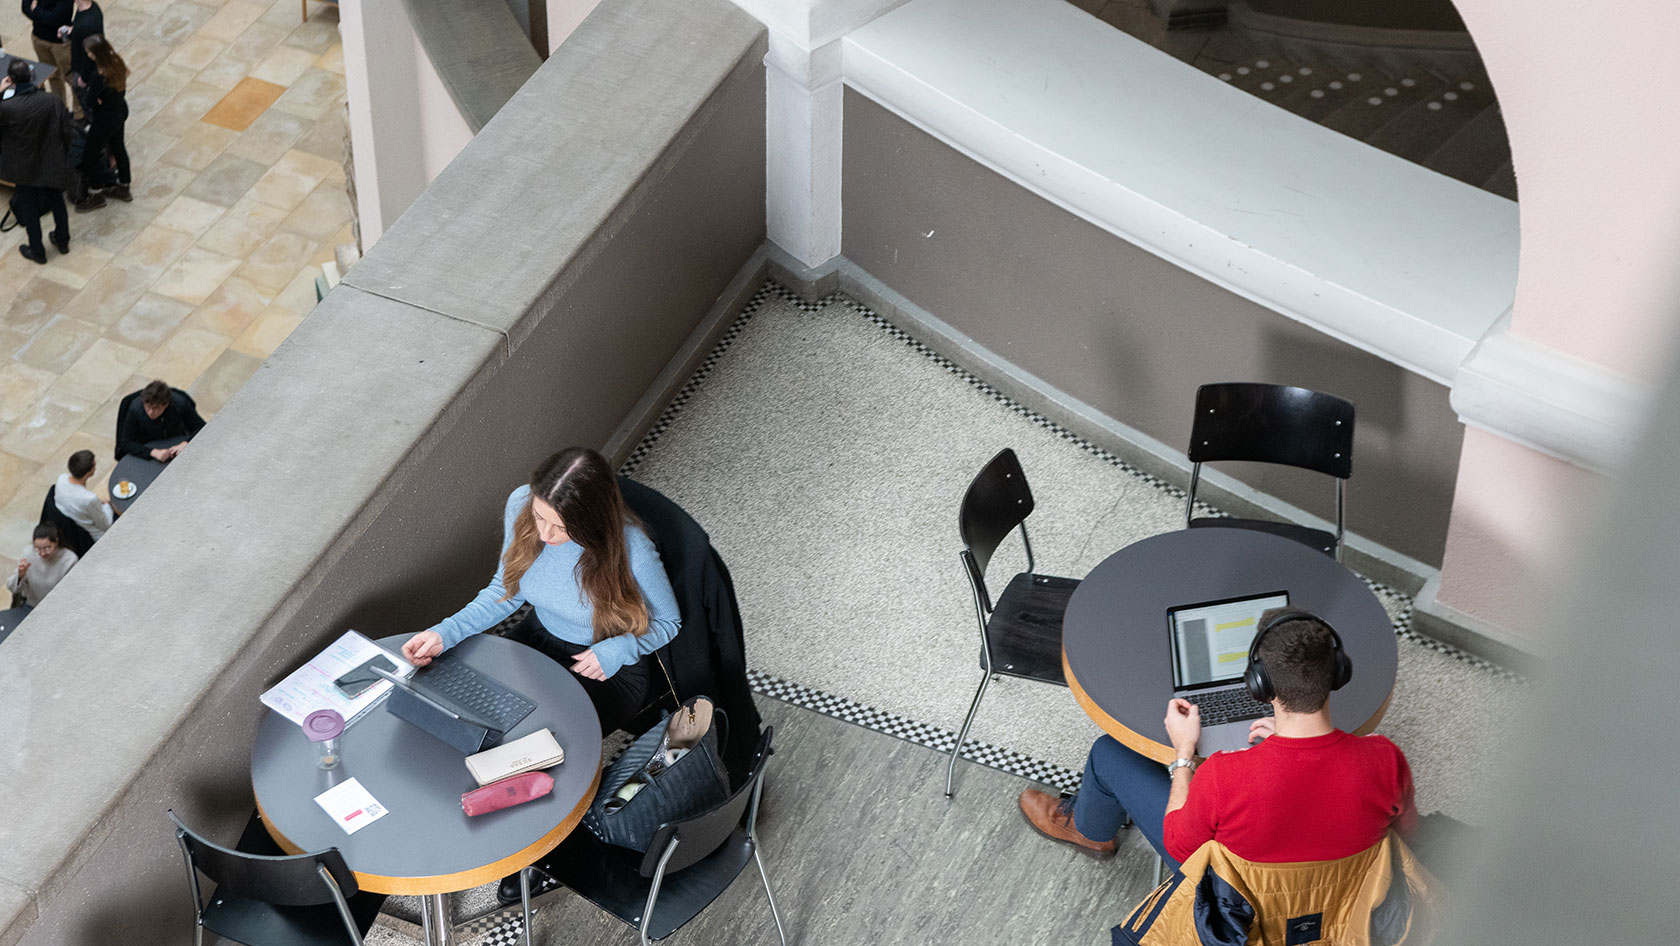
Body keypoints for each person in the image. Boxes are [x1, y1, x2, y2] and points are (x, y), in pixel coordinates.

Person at [1019, 609, 1416, 868]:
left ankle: (1090, 831)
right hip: (1341, 914)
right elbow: (1407, 835)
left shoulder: (1227, 775)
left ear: (1259, 685)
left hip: (1239, 913)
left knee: (1109, 751)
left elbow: (1178, 844)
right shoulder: (1386, 760)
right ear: (1337, 675)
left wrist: (1184, 756)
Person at [401, 448, 681, 734]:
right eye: (540, 517)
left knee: (537, 742)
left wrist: (622, 648)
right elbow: (506, 588)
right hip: (537, 638)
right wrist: (444, 633)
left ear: (591, 521)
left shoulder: (632, 547)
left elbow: (669, 623)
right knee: (465, 714)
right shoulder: (520, 503)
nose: (545, 535)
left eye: (561, 527)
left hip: (604, 661)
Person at [0, 57, 73, 264]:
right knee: (57, 201)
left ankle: (37, 251)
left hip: (21, 165)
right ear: (32, 77)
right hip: (51, 160)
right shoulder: (52, 101)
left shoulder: (8, 107)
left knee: (29, 207)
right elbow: (66, 130)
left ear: (11, 80)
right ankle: (63, 240)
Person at [70, 33, 129, 211]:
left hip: (104, 119)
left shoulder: (98, 76)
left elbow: (89, 101)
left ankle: (96, 195)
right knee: (119, 148)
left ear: (96, 53)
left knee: (90, 155)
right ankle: (124, 186)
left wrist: (96, 99)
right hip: (119, 111)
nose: (88, 55)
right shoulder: (117, 62)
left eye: (89, 52)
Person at [116, 380, 205, 461]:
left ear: (166, 404)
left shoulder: (180, 404)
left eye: (156, 408)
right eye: (148, 407)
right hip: (149, 444)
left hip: (175, 439)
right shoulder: (135, 408)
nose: (150, 412)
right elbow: (126, 442)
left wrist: (186, 443)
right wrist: (152, 452)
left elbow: (201, 427)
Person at [20, 0, 75, 115]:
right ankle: (60, 111)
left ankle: (79, 115)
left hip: (60, 44)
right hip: (39, 38)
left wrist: (35, 10)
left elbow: (57, 18)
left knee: (72, 79)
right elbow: (25, 8)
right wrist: (42, 14)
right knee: (52, 76)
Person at [7, 523, 77, 607]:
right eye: (38, 548)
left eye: (47, 548)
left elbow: (72, 592)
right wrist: (20, 576)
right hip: (31, 604)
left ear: (56, 542)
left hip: (56, 607)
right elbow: (12, 588)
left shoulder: (69, 560)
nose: (42, 553)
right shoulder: (28, 553)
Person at [54, 449, 112, 541]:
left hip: (71, 525)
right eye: (94, 465)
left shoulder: (62, 479)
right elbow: (106, 525)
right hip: (94, 536)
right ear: (88, 472)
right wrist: (107, 506)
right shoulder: (89, 499)